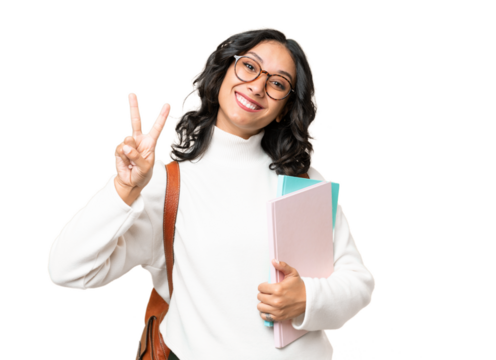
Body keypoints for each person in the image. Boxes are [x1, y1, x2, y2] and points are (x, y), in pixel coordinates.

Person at [47, 25, 376, 360]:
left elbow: (358, 284)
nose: (258, 86)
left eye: (277, 83)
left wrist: (308, 297)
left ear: (286, 107)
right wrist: (124, 189)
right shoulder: (168, 184)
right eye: (249, 66)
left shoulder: (303, 180)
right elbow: (66, 269)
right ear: (223, 69)